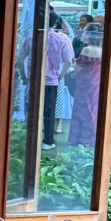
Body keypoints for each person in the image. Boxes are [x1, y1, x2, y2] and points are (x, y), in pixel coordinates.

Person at [68, 17, 103, 147]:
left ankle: (81, 138)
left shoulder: (87, 50)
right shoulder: (103, 49)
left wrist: (72, 74)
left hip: (84, 83)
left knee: (81, 110)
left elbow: (78, 68)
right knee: (93, 110)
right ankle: (91, 137)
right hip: (97, 82)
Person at [41, 12, 73, 151]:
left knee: (33, 109)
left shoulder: (32, 37)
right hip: (52, 80)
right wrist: (60, 77)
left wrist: (24, 76)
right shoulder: (61, 39)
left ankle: (31, 137)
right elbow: (68, 61)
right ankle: (48, 141)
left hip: (35, 80)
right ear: (55, 24)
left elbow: (20, 57)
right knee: (49, 111)